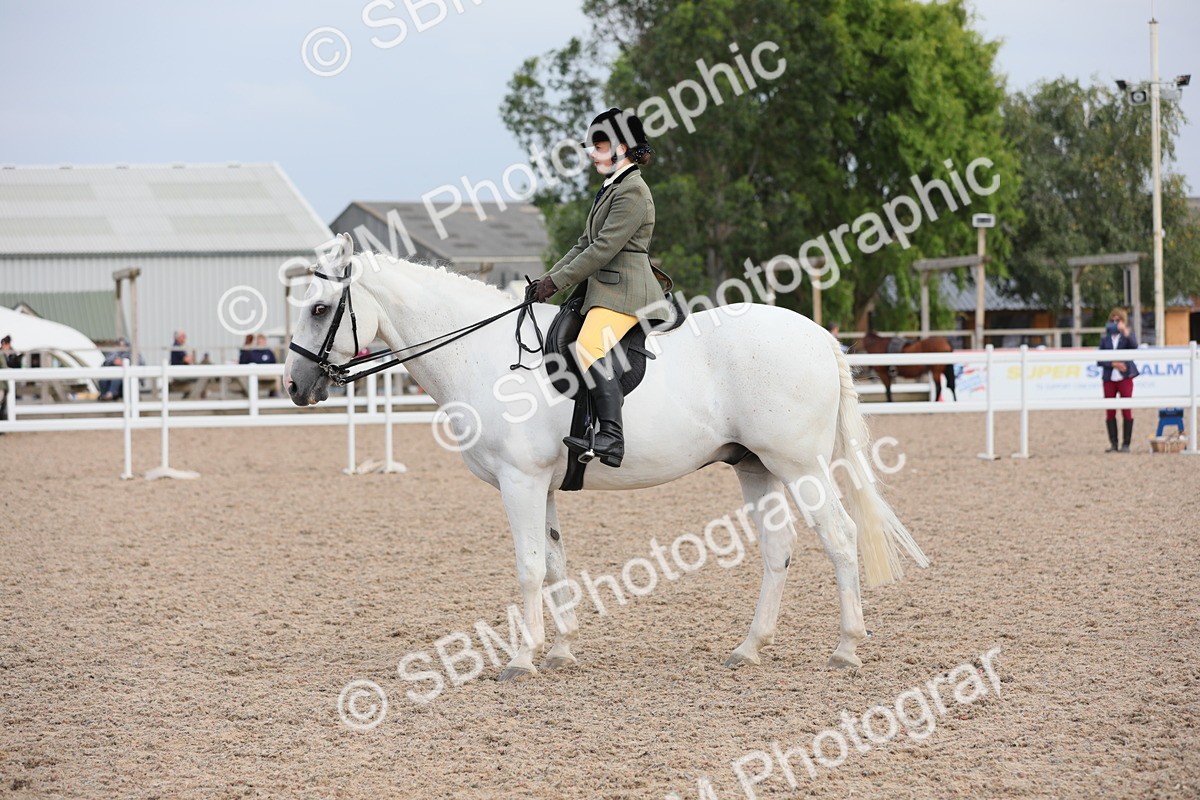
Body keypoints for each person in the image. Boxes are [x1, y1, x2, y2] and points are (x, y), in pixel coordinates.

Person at [532, 108, 660, 469]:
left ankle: (611, 437)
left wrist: (558, 282)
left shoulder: (633, 191)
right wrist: (547, 281)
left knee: (588, 344)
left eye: (598, 145)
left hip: (626, 292)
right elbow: (582, 244)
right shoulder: (612, 187)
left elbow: (603, 249)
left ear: (621, 147)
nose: (591, 153)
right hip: (604, 289)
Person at [1097, 307, 1140, 452]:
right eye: (1112, 320)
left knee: (1126, 409)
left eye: (1118, 320)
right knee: (1110, 411)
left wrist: (1126, 332)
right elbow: (1099, 360)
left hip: (1124, 378)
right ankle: (1113, 443)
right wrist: (1113, 364)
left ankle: (1126, 444)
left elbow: (1134, 346)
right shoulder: (1105, 340)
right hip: (1109, 377)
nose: (1115, 323)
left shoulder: (1127, 337)